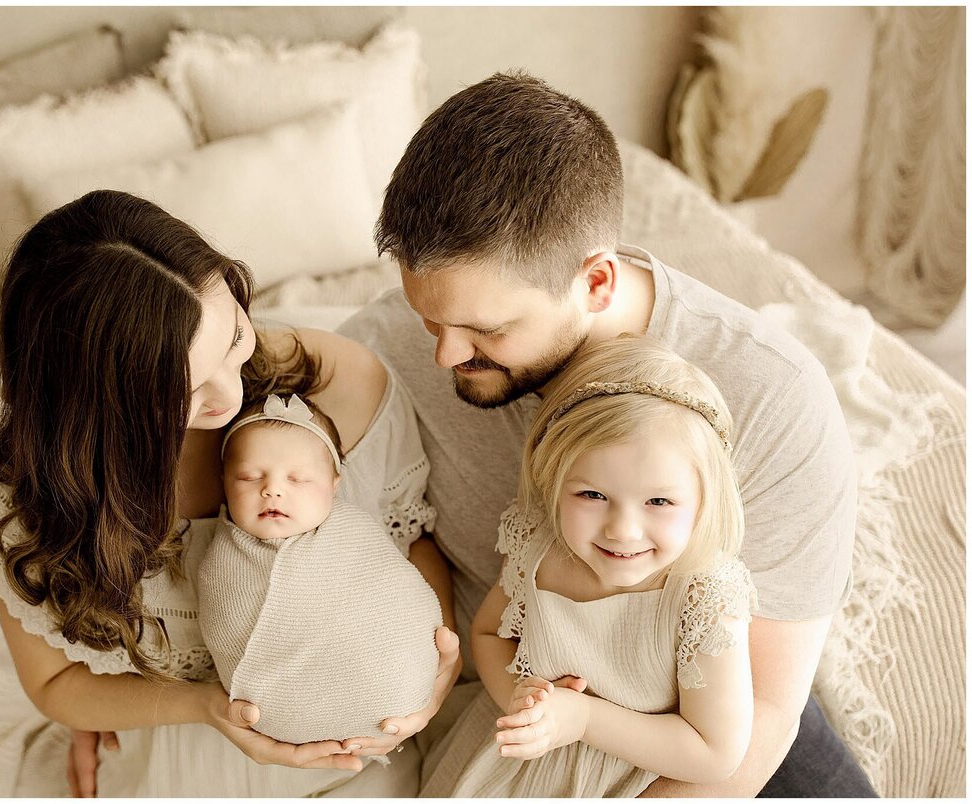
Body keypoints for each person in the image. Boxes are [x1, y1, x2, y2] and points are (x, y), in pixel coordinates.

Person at [336, 71, 876, 796]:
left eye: (486, 330)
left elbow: (759, 723)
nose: (444, 356)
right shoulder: (387, 347)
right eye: (431, 320)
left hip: (707, 715)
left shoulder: (775, 399)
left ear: (595, 283)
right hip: (521, 718)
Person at [0, 189, 462, 797]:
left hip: (364, 745)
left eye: (234, 338)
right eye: (184, 390)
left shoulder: (331, 388)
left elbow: (410, 540)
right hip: (190, 743)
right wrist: (204, 709)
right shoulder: (41, 502)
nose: (231, 394)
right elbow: (54, 683)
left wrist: (435, 661)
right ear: (98, 408)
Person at [421, 334, 757, 796]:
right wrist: (521, 699)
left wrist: (581, 719)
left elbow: (715, 752)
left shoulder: (702, 596)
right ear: (553, 481)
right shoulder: (539, 548)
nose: (622, 529)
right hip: (504, 765)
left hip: (612, 781)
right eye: (592, 495)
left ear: (703, 503)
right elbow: (487, 635)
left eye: (659, 501)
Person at [198, 392, 442, 746]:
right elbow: (224, 625)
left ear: (334, 484)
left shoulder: (356, 533)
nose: (273, 490)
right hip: (276, 715)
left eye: (297, 479)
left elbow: (396, 594)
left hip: (397, 693)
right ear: (223, 481)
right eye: (250, 477)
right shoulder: (219, 563)